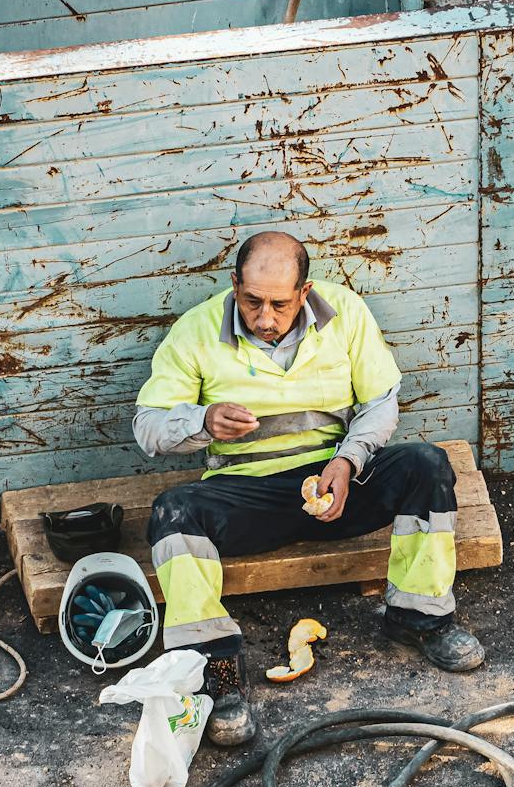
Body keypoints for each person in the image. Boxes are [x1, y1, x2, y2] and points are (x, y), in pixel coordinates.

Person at [132, 231, 485, 748]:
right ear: (235, 285)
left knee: (426, 464)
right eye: (252, 302)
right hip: (249, 495)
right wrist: (202, 421)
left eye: (279, 303)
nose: (265, 318)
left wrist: (348, 460)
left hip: (335, 483)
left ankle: (419, 617)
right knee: (172, 513)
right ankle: (217, 676)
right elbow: (148, 428)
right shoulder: (196, 331)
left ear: (305, 291)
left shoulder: (344, 313)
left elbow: (381, 401)